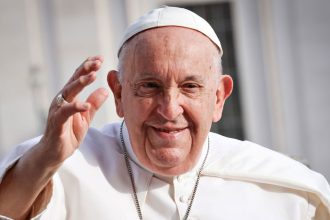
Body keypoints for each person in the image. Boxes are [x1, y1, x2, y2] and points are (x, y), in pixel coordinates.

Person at [0, 6, 329, 220]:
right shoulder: (58, 167)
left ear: (218, 97)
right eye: (150, 86)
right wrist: (45, 158)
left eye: (190, 87)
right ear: (118, 93)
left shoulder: (286, 189)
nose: (169, 110)